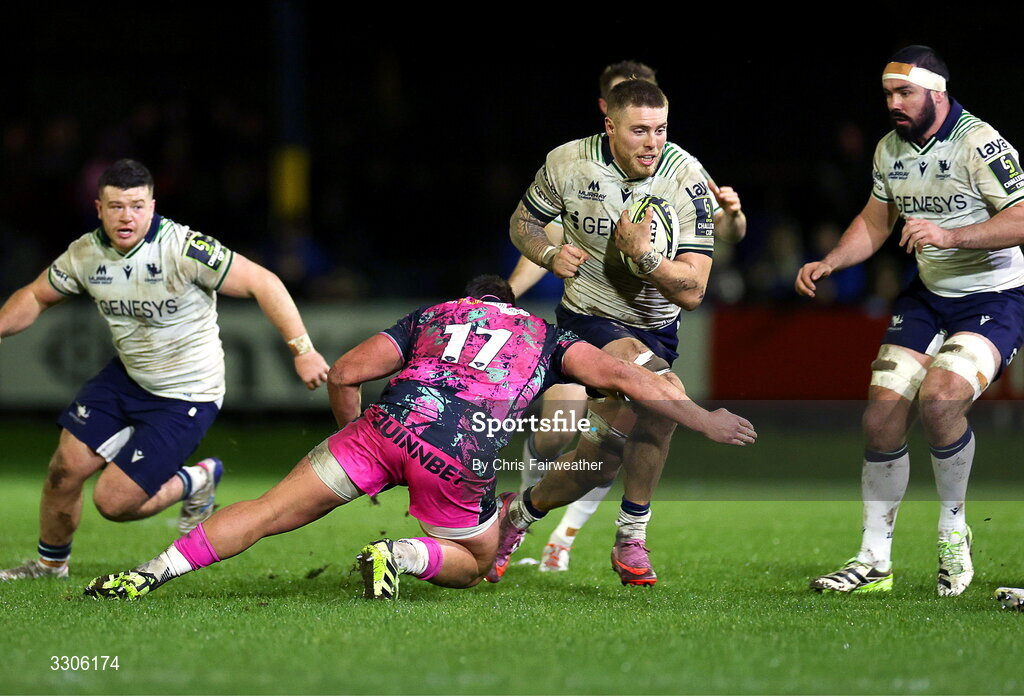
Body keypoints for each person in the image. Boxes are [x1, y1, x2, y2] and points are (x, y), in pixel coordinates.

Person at [82, 275, 755, 601]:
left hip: (384, 429)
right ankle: (401, 555)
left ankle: (148, 574)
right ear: (507, 305)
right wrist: (703, 418)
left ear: (469, 300)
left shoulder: (433, 316)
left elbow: (345, 371)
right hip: (457, 458)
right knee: (474, 558)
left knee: (266, 513)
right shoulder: (545, 335)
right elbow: (626, 380)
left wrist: (350, 441)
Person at [0, 159, 330, 582]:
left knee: (114, 503)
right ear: (97, 208)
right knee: (64, 470)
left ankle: (197, 480)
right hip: (127, 377)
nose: (127, 216)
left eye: (136, 206)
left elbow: (262, 282)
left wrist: (302, 349)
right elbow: (35, 296)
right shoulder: (85, 253)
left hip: (186, 394)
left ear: (152, 206)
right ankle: (49, 566)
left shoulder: (183, 248)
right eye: (116, 206)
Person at [498, 77, 747, 587]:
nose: (653, 143)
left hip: (657, 328)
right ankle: (632, 537)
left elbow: (694, 291)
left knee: (606, 457)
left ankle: (515, 515)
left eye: (660, 130)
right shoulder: (568, 163)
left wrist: (647, 256)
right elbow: (522, 223)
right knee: (664, 392)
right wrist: (546, 253)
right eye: (639, 131)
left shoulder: (687, 179)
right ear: (609, 125)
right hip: (589, 320)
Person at [795, 46, 1024, 596]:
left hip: (993, 294)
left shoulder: (979, 142)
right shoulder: (889, 149)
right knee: (880, 419)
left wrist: (949, 235)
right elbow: (876, 221)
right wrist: (833, 259)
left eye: (905, 94)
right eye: (888, 95)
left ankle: (953, 532)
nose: (893, 104)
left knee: (941, 400)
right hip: (928, 296)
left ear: (937, 93)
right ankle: (874, 561)